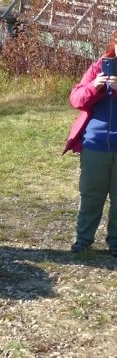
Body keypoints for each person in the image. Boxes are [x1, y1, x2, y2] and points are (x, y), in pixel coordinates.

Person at [65, 31, 117, 257]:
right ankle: (83, 241)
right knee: (90, 195)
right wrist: (94, 87)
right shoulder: (99, 66)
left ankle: (115, 243)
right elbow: (75, 99)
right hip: (94, 144)